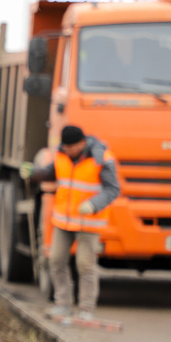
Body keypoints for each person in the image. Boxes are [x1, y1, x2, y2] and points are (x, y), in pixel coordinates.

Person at [21, 125, 120, 320]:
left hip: (88, 222)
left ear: (82, 143)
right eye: (66, 147)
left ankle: (86, 309)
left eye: (72, 147)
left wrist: (93, 204)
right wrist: (33, 173)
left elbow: (112, 189)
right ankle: (63, 304)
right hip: (63, 221)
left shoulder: (102, 159)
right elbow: (51, 173)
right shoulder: (61, 155)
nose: (69, 151)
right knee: (56, 260)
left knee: (85, 265)